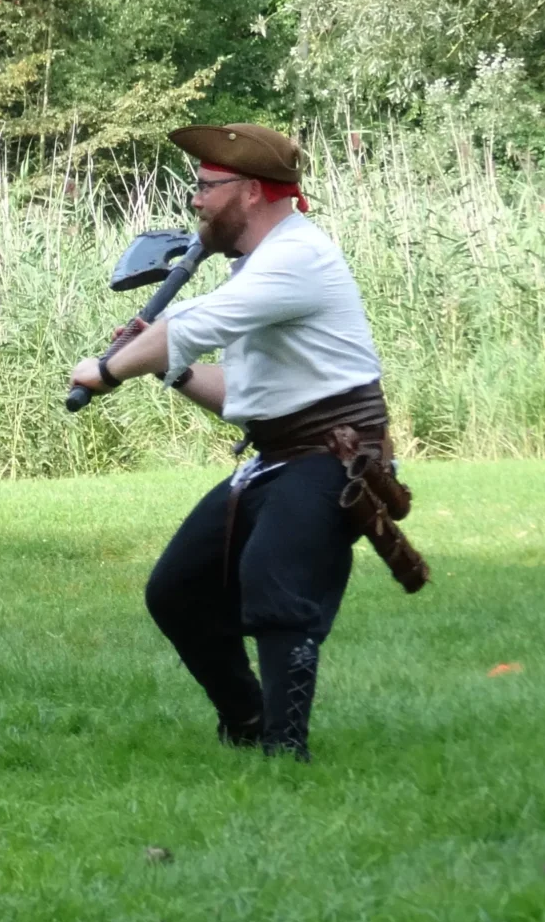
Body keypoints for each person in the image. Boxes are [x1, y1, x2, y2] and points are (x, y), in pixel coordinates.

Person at [67, 122, 394, 761]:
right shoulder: (258, 265)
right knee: (177, 592)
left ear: (249, 192)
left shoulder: (297, 257)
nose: (195, 201)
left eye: (206, 187)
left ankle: (284, 751)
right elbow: (241, 399)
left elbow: (197, 321)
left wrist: (107, 369)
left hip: (337, 457)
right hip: (280, 456)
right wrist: (170, 364)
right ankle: (246, 719)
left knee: (276, 587)